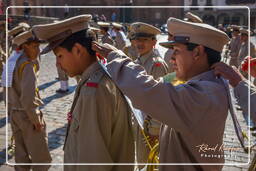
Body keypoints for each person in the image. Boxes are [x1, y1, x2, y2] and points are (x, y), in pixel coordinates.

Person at [92, 17, 231, 171]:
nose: (171, 58)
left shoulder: (204, 94)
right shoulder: (207, 85)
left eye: (177, 51)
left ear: (197, 52)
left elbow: (148, 92)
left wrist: (116, 58)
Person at [33, 15, 135, 171]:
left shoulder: (94, 90)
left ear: (78, 50)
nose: (57, 64)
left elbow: (93, 163)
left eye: (59, 56)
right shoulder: (96, 80)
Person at [3, 30, 52, 170]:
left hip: (14, 114)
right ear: (25, 46)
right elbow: (28, 99)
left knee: (21, 155)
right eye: (35, 46)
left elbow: (6, 90)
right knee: (42, 158)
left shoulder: (12, 61)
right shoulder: (27, 66)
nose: (38, 50)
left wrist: (11, 113)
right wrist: (36, 120)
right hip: (28, 117)